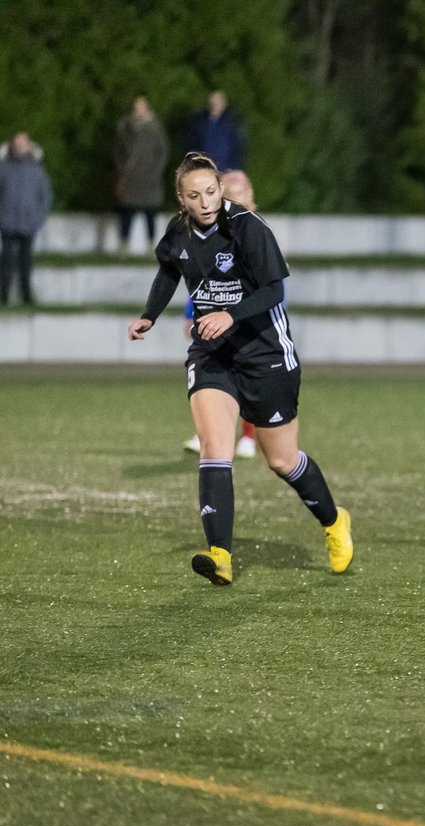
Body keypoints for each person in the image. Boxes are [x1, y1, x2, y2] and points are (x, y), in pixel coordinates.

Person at [127, 152, 352, 585]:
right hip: (213, 353)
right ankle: (221, 555)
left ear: (220, 189)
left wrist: (230, 313)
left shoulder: (248, 227)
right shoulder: (179, 232)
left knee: (282, 460)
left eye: (211, 192)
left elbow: (273, 291)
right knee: (215, 447)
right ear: (182, 199)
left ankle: (334, 521)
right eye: (195, 196)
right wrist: (150, 316)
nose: (206, 202)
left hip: (265, 352)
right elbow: (168, 272)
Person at [181, 169, 260, 459]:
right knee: (210, 372)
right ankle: (209, 433)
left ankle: (249, 436)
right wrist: (191, 313)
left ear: (250, 197)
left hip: (249, 319)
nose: (236, 199)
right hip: (214, 318)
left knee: (246, 376)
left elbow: (271, 285)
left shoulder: (258, 233)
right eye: (230, 194)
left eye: (241, 193)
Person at [0, 132, 52, 307]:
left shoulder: (37, 169)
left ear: (29, 146)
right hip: (7, 222)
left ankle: (26, 295)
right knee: (7, 261)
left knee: (26, 262)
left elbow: (45, 196)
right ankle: (3, 295)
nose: (20, 147)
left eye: (23, 144)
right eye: (17, 144)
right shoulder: (4, 167)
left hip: (29, 223)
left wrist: (38, 217)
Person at [113, 96, 170, 251]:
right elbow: (117, 151)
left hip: (150, 179)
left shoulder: (156, 129)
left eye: (141, 108)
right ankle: (123, 244)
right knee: (126, 212)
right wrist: (122, 168)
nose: (138, 111)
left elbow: (163, 152)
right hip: (130, 179)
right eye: (136, 108)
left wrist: (156, 172)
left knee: (150, 213)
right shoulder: (125, 128)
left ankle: (151, 244)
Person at [188, 91, 244, 172]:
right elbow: (192, 145)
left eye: (217, 103)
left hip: (225, 170)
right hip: (204, 170)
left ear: (223, 104)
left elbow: (238, 148)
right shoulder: (200, 123)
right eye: (212, 102)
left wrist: (232, 168)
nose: (214, 105)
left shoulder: (231, 124)